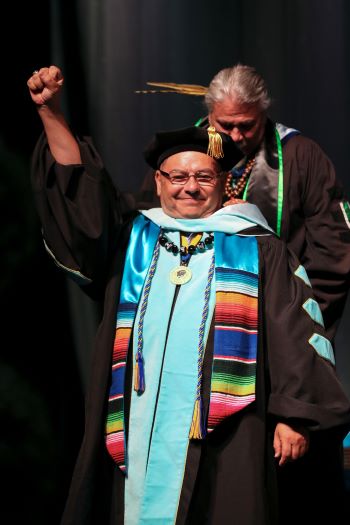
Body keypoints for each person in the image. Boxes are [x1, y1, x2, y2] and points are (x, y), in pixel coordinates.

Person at [27, 66, 350, 525]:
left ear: (223, 184)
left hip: (231, 425)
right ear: (157, 182)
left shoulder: (256, 246)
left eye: (203, 176)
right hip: (140, 415)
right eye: (177, 177)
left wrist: (295, 414)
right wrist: (51, 113)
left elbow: (294, 331)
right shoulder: (135, 238)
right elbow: (81, 195)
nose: (190, 187)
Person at [139, 64, 350, 344]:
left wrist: (297, 319)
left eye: (247, 125)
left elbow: (333, 250)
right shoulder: (180, 157)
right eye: (226, 125)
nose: (236, 136)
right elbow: (148, 229)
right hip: (192, 317)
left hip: (276, 318)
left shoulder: (301, 157)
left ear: (263, 113)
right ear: (210, 114)